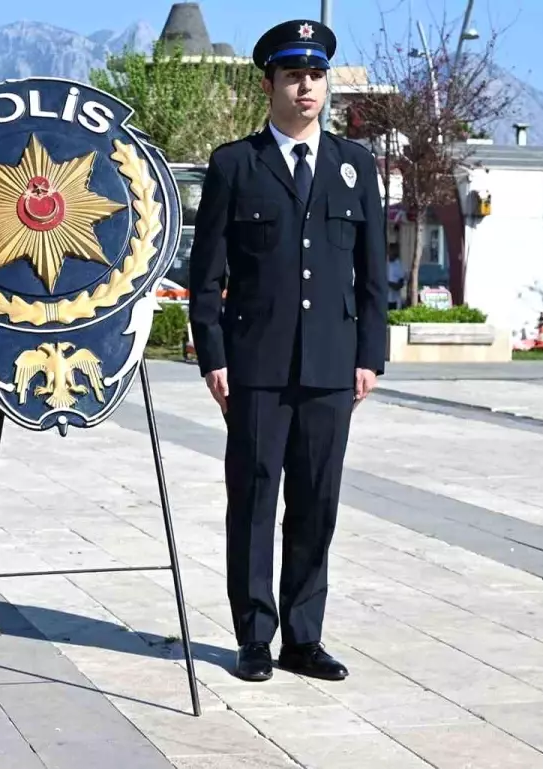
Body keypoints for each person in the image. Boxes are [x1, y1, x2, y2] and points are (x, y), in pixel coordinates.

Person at [187, 19, 387, 683]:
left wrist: (371, 354)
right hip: (255, 366)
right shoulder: (234, 165)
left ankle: (304, 636)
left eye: (317, 75)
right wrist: (213, 354)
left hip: (332, 366)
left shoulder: (354, 166)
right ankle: (254, 635)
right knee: (253, 498)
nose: (308, 88)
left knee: (316, 501)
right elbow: (206, 272)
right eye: (295, 75)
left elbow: (371, 274)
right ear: (269, 83)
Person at [387, 243, 406, 309]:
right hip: (384, 299)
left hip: (394, 300)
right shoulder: (385, 263)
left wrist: (387, 283)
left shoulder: (400, 265)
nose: (390, 253)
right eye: (389, 250)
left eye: (392, 251)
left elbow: (399, 285)